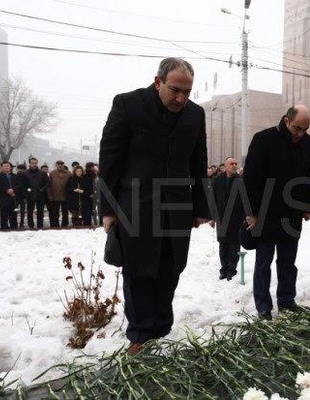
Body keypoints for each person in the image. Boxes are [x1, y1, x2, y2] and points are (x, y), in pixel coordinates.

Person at [99, 57, 210, 354]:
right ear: (158, 81)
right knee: (138, 271)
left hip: (177, 207)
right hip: (135, 206)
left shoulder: (195, 115)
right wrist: (108, 210)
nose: (181, 98)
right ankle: (139, 335)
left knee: (170, 268)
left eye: (187, 92)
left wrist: (202, 207)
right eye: (175, 90)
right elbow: (110, 160)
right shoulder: (127, 105)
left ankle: (161, 329)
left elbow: (199, 162)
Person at [243, 105, 310, 320]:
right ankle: (263, 306)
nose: (300, 134)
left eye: (304, 129)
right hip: (265, 212)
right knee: (263, 262)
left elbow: (308, 174)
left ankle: (286, 300)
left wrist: (307, 206)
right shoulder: (264, 139)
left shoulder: (307, 142)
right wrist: (252, 212)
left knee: (288, 261)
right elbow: (251, 178)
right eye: (297, 128)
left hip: (292, 212)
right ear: (286, 120)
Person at [209, 157, 245, 280]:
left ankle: (231, 269)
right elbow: (212, 199)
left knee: (235, 244)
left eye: (236, 164)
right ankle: (223, 269)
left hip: (237, 218)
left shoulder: (241, 181)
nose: (234, 165)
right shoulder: (217, 180)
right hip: (221, 217)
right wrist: (211, 217)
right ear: (226, 165)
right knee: (223, 244)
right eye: (231, 163)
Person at [0, 161, 21, 230]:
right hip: (3, 198)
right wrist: (7, 190)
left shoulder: (15, 176)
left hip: (13, 198)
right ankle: (4, 228)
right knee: (4, 215)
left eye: (8, 166)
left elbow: (19, 185)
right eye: (4, 166)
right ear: (2, 167)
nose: (6, 167)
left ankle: (14, 227)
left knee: (13, 214)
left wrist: (13, 190)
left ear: (10, 167)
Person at [24, 157, 49, 229]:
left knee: (40, 211)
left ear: (37, 163)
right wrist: (28, 191)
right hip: (30, 195)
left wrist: (42, 190)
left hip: (40, 195)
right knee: (29, 212)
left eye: (35, 163)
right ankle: (31, 225)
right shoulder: (25, 173)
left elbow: (47, 183)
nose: (34, 165)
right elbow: (23, 184)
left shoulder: (42, 173)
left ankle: (40, 225)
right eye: (32, 163)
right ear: (29, 164)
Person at [47, 160, 72, 228]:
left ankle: (65, 224)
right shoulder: (52, 173)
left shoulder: (68, 173)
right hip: (55, 196)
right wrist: (50, 195)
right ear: (56, 165)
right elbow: (49, 185)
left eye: (61, 164)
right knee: (55, 212)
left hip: (65, 196)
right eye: (58, 164)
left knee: (65, 212)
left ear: (63, 165)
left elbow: (72, 184)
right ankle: (55, 225)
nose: (60, 165)